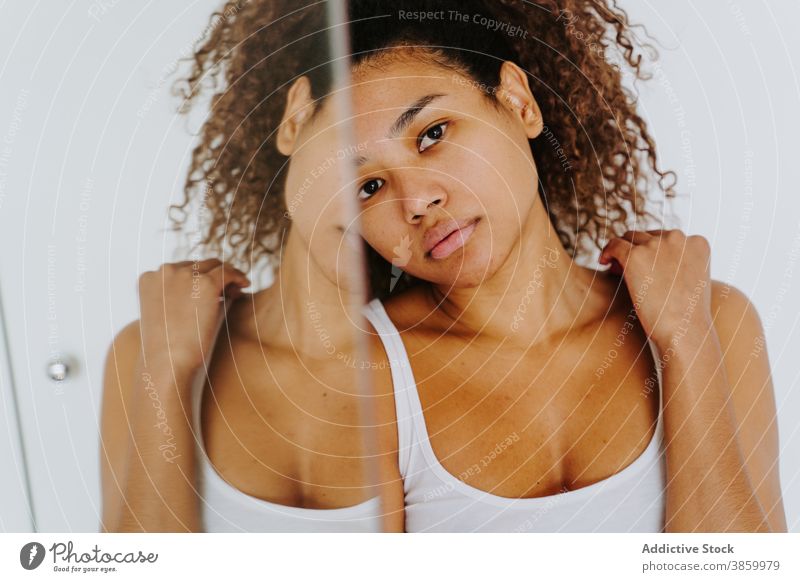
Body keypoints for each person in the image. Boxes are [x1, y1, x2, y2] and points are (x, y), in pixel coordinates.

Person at [338, 0, 784, 532]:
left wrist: (685, 342)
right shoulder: (356, 380)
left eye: (432, 134)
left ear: (519, 102)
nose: (414, 202)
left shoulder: (715, 320)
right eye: (368, 186)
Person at [99, 3, 402, 532]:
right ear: (296, 117)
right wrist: (167, 369)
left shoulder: (442, 360)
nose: (385, 201)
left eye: (431, 144)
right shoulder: (144, 351)